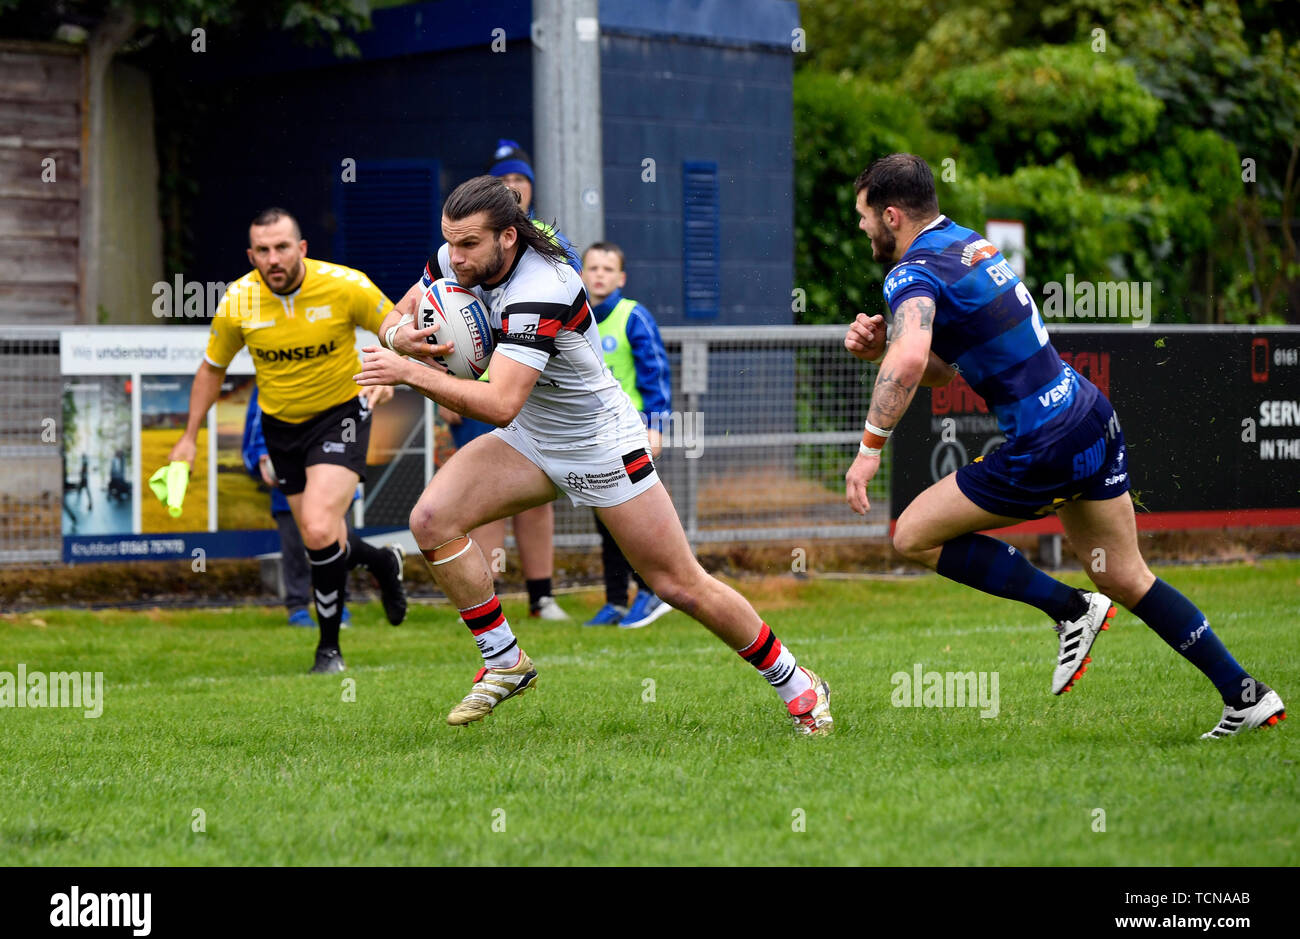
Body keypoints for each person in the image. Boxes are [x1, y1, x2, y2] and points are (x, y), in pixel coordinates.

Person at [356, 175, 833, 734]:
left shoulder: (544, 285)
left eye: (468, 246)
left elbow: (502, 402)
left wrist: (411, 373)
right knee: (432, 520)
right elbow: (406, 307)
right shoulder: (457, 254)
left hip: (600, 444)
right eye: (450, 243)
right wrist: (398, 338)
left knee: (678, 584)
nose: (454, 259)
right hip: (533, 440)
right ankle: (504, 660)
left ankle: (799, 684)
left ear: (508, 237)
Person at [843, 153, 1285, 739]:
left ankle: (1069, 609)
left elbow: (911, 356)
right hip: (1088, 414)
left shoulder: (910, 273)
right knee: (1126, 576)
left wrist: (871, 444)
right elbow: (940, 369)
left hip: (1044, 442)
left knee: (912, 534)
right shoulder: (965, 244)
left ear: (891, 214)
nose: (862, 227)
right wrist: (888, 348)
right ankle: (1246, 695)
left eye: (864, 216)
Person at [169, 207, 407, 673]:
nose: (273, 258)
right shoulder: (238, 300)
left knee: (318, 528)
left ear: (301, 248)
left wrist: (388, 369)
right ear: (251, 254)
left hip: (341, 414)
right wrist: (188, 437)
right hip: (281, 427)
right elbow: (211, 370)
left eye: (282, 247)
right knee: (322, 535)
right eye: (263, 250)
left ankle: (329, 650)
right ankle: (381, 562)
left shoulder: (345, 285)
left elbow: (396, 325)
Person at [433, 139, 581, 621]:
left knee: (535, 501)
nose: (514, 188)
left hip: (534, 395)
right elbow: (431, 309)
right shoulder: (467, 245)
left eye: (521, 180)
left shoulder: (545, 254)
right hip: (479, 389)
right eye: (505, 182)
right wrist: (437, 373)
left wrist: (410, 372)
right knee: (477, 500)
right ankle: (488, 596)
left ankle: (542, 595)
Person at [580, 241, 674, 628]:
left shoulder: (633, 316)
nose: (599, 274)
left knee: (635, 521)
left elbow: (656, 376)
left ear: (621, 278)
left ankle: (652, 593)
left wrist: (657, 428)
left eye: (607, 268)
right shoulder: (576, 318)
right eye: (593, 268)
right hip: (591, 436)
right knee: (605, 522)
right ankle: (616, 600)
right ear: (582, 275)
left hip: (631, 433)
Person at [242, 384, 352, 629]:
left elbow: (352, 420)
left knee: (337, 543)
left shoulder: (337, 371)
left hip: (332, 475)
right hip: (289, 476)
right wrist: (261, 455)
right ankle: (298, 607)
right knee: (295, 547)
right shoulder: (273, 375)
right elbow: (257, 419)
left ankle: (338, 605)